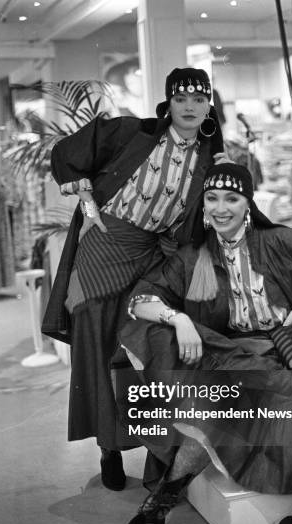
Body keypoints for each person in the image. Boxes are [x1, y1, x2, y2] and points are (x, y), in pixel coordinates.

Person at [102, 162, 292, 524]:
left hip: (281, 350)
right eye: (212, 198)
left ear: (248, 203)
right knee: (169, 344)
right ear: (203, 205)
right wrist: (181, 318)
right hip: (226, 350)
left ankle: (155, 508)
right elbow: (142, 300)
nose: (221, 207)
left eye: (232, 198)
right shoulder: (192, 256)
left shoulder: (284, 241)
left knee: (235, 400)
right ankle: (155, 509)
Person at [41, 67, 226, 491]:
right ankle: (107, 449)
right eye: (182, 99)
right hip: (103, 246)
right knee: (98, 344)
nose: (191, 107)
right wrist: (87, 203)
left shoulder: (210, 156)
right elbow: (67, 152)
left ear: (209, 105)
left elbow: (221, 211)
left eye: (199, 99)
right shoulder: (133, 132)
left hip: (149, 256)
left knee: (142, 347)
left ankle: (154, 453)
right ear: (169, 102)